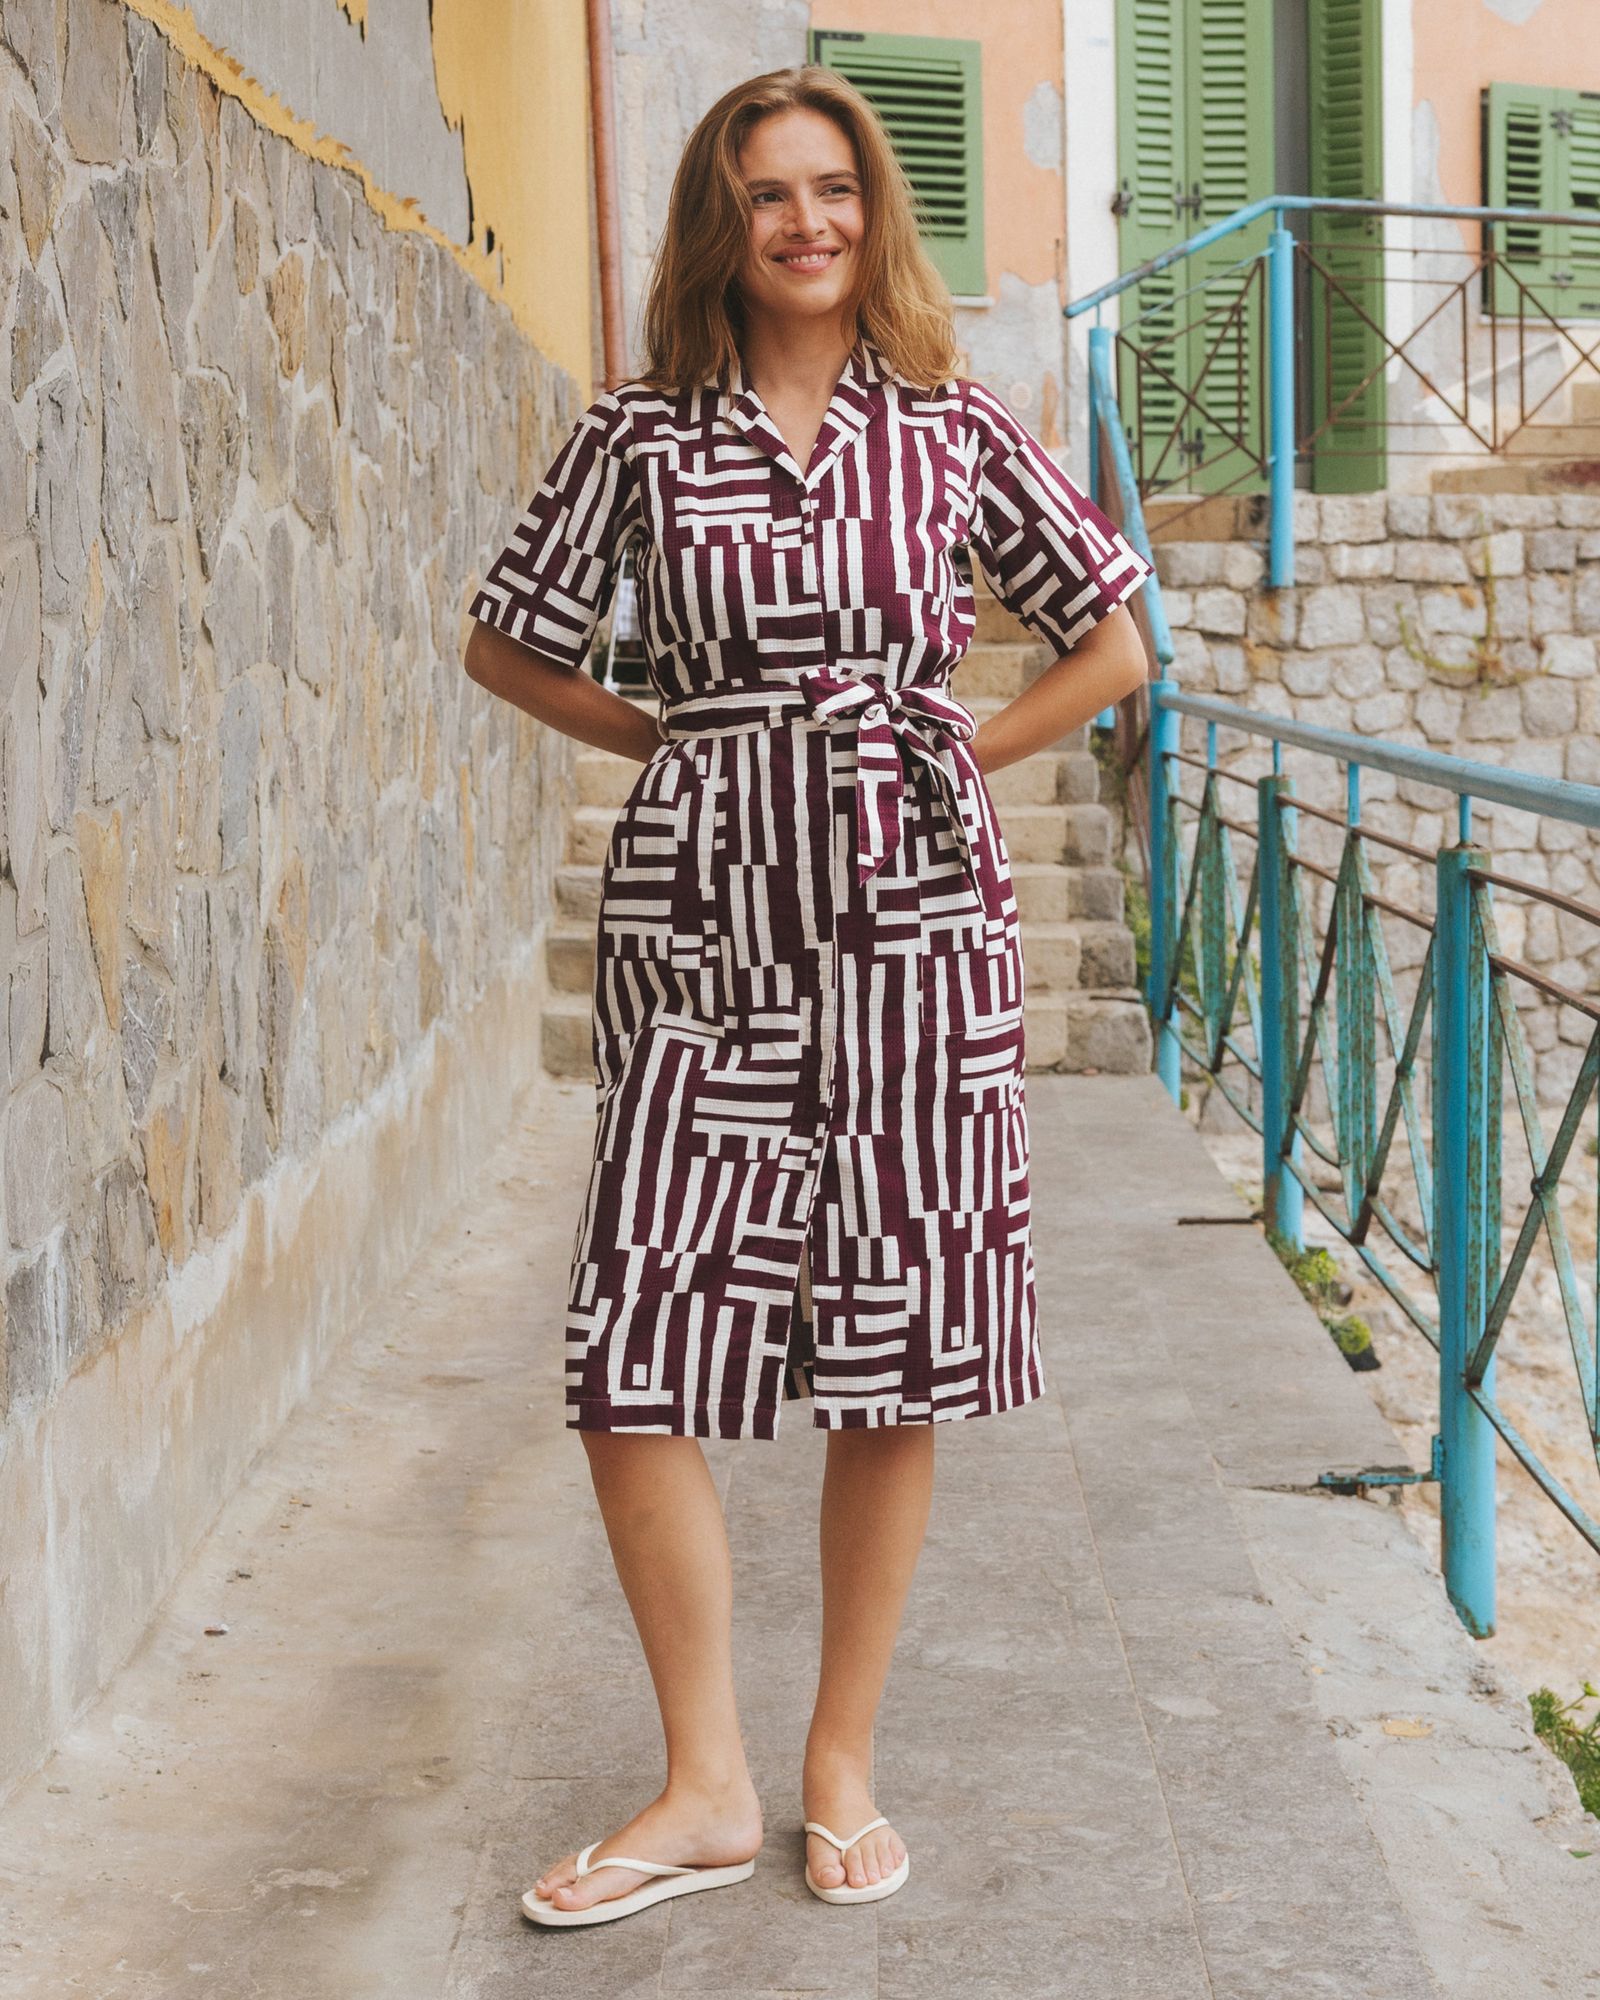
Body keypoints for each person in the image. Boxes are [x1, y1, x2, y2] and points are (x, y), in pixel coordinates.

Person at [462, 63, 1153, 1929]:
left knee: (896, 1331)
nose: (805, 222)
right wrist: (687, 734)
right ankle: (703, 1783)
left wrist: (955, 751)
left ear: (873, 210)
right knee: (638, 1338)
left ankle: (839, 1762)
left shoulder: (950, 426)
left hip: (917, 923)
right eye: (767, 193)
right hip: (699, 923)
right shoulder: (637, 435)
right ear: (722, 219)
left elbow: (1111, 636)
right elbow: (505, 639)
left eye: (833, 187)